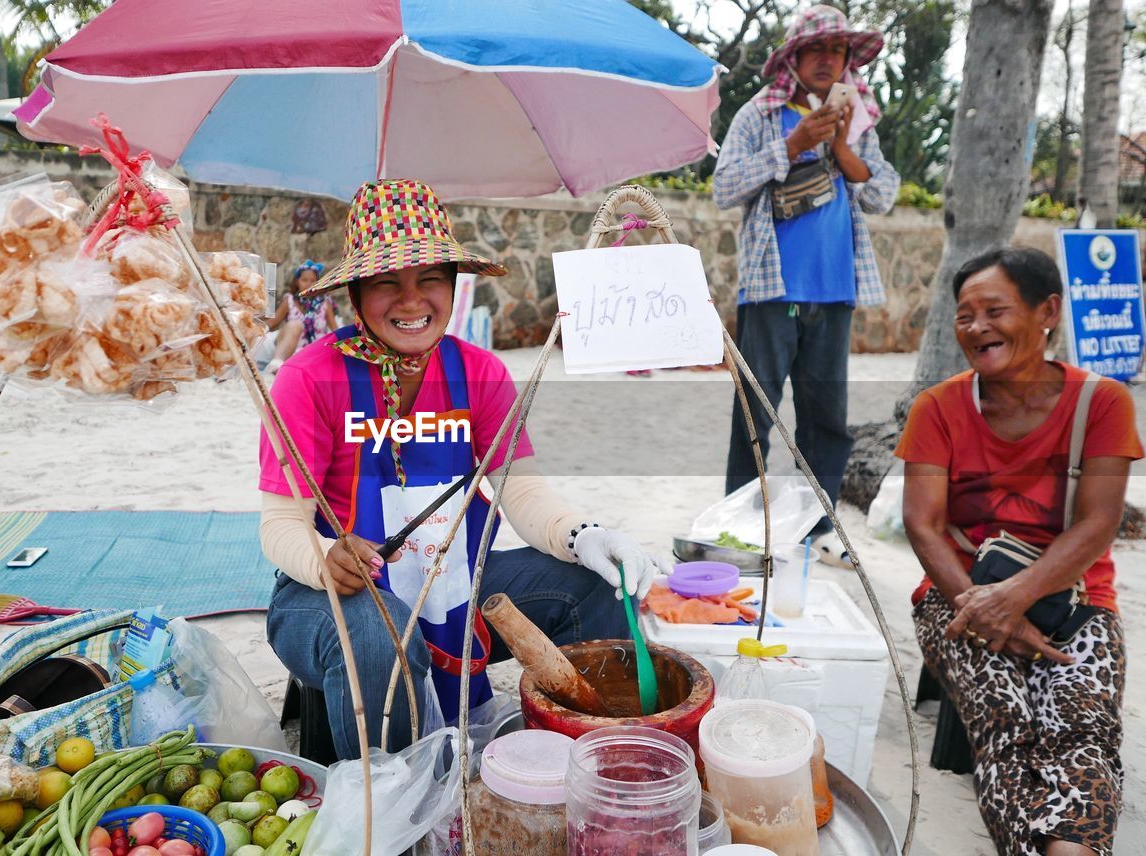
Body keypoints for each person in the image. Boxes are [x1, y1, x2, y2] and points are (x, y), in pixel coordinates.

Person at [261, 179, 670, 759]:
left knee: (592, 585)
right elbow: (281, 524)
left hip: (453, 580)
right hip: (329, 595)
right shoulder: (309, 377)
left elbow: (521, 494)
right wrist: (322, 559)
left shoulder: (479, 372)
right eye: (386, 282)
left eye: (430, 278)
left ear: (453, 285)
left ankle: (576, 766)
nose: (411, 301)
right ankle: (396, 815)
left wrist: (585, 536)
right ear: (356, 293)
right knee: (382, 638)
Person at [897, 247, 1140, 856]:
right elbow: (922, 525)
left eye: (995, 311)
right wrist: (985, 608)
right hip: (957, 595)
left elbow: (1098, 522)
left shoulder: (1103, 404)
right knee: (1005, 722)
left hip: (1078, 599)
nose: (977, 327)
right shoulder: (938, 408)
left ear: (1048, 311)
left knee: (1085, 727)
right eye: (964, 315)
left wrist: (1015, 601)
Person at [711, 5, 899, 561]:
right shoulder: (761, 113)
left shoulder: (858, 119)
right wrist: (791, 147)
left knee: (826, 422)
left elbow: (884, 192)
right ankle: (739, 525)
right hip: (771, 293)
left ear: (847, 62)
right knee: (755, 411)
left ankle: (817, 531)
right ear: (793, 58)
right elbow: (723, 188)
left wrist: (839, 147)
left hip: (835, 291)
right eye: (815, 50)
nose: (826, 60)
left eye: (837, 51)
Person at [262, 260, 338, 373]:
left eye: (313, 280)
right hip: (292, 352)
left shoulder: (324, 304)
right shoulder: (289, 300)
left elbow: (335, 330)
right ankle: (277, 365)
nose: (308, 284)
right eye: (304, 280)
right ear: (297, 282)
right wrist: (254, 328)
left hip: (316, 353)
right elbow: (273, 322)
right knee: (295, 325)